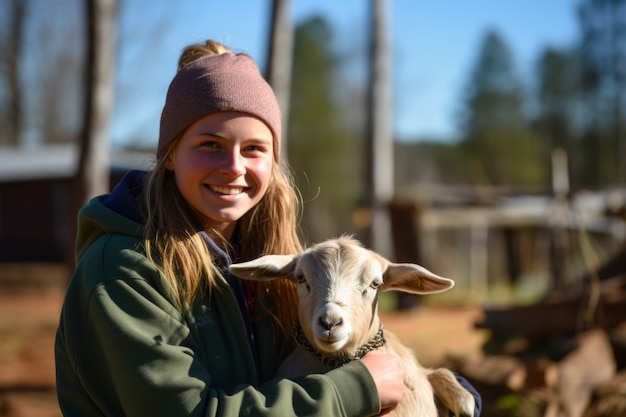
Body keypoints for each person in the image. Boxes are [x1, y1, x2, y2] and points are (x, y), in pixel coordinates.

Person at [55, 40, 481, 416]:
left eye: (254, 149)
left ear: (272, 162)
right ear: (170, 154)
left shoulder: (257, 257)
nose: (234, 168)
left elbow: (321, 360)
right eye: (210, 145)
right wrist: (356, 390)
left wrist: (433, 384)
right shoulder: (123, 269)